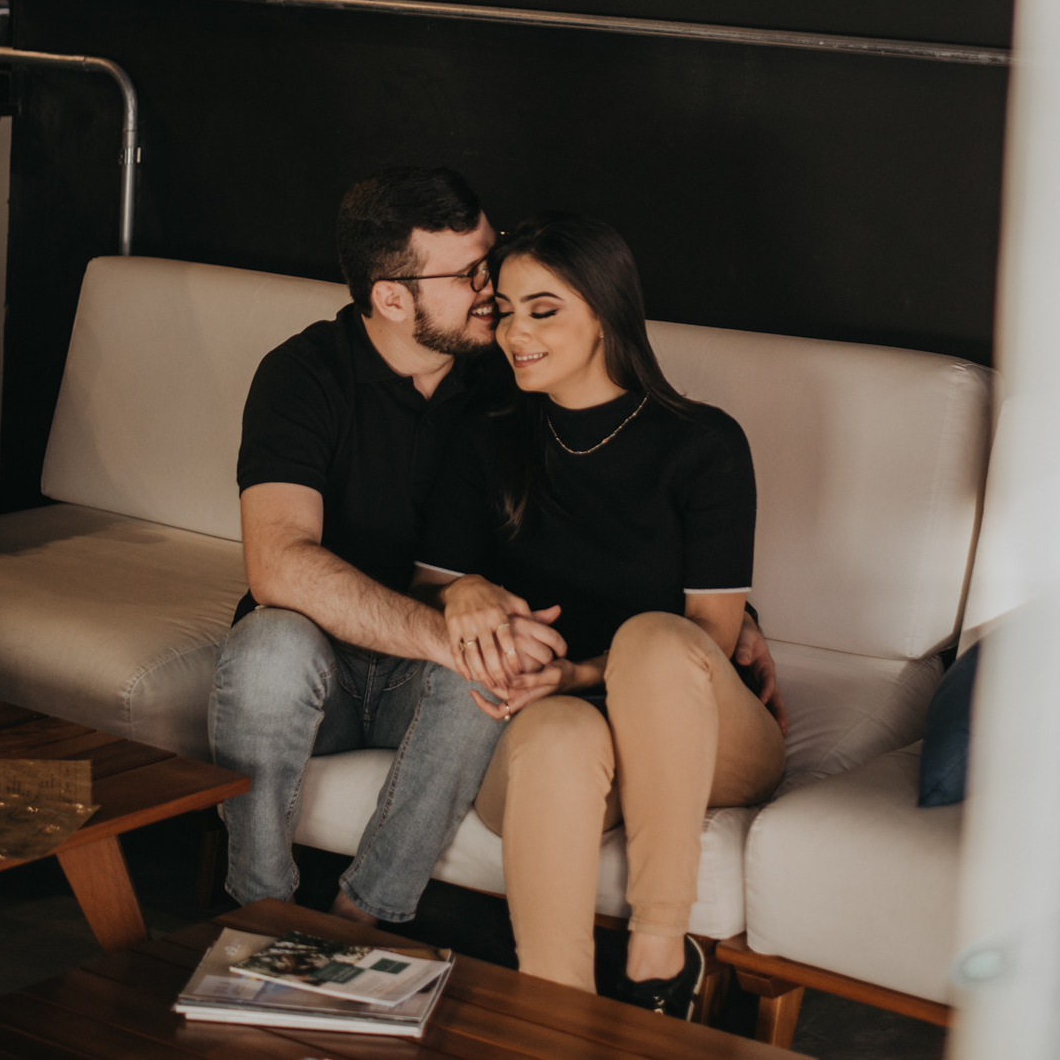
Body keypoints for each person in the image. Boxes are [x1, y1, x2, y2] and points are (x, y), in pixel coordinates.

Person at [414, 212, 788, 1017]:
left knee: (651, 639)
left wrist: (578, 671)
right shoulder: (487, 437)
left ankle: (657, 951)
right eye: (504, 311)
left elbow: (708, 640)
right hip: (550, 729)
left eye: (543, 309)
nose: (515, 332)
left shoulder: (704, 443)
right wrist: (462, 586)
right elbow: (426, 586)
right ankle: (556, 1019)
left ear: (607, 312)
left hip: (703, 727)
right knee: (558, 731)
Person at [208, 166, 567, 925]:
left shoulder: (514, 374)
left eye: (492, 258)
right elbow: (277, 563)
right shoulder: (303, 374)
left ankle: (359, 920)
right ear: (392, 298)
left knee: (485, 667)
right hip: (324, 671)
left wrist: (724, 616)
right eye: (468, 274)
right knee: (268, 646)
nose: (493, 287)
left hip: (431, 685)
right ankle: (259, 912)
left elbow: (613, 498)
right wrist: (442, 634)